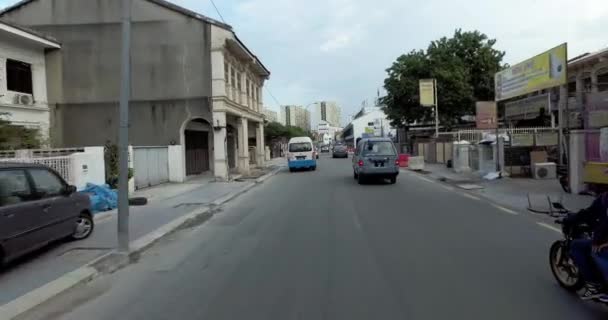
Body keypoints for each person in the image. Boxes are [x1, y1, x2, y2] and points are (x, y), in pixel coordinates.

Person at [565, 192, 608, 301]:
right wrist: (574, 217)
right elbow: (590, 213)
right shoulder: (603, 198)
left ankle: (595, 287)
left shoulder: (604, 198)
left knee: (576, 246)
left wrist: (601, 241)